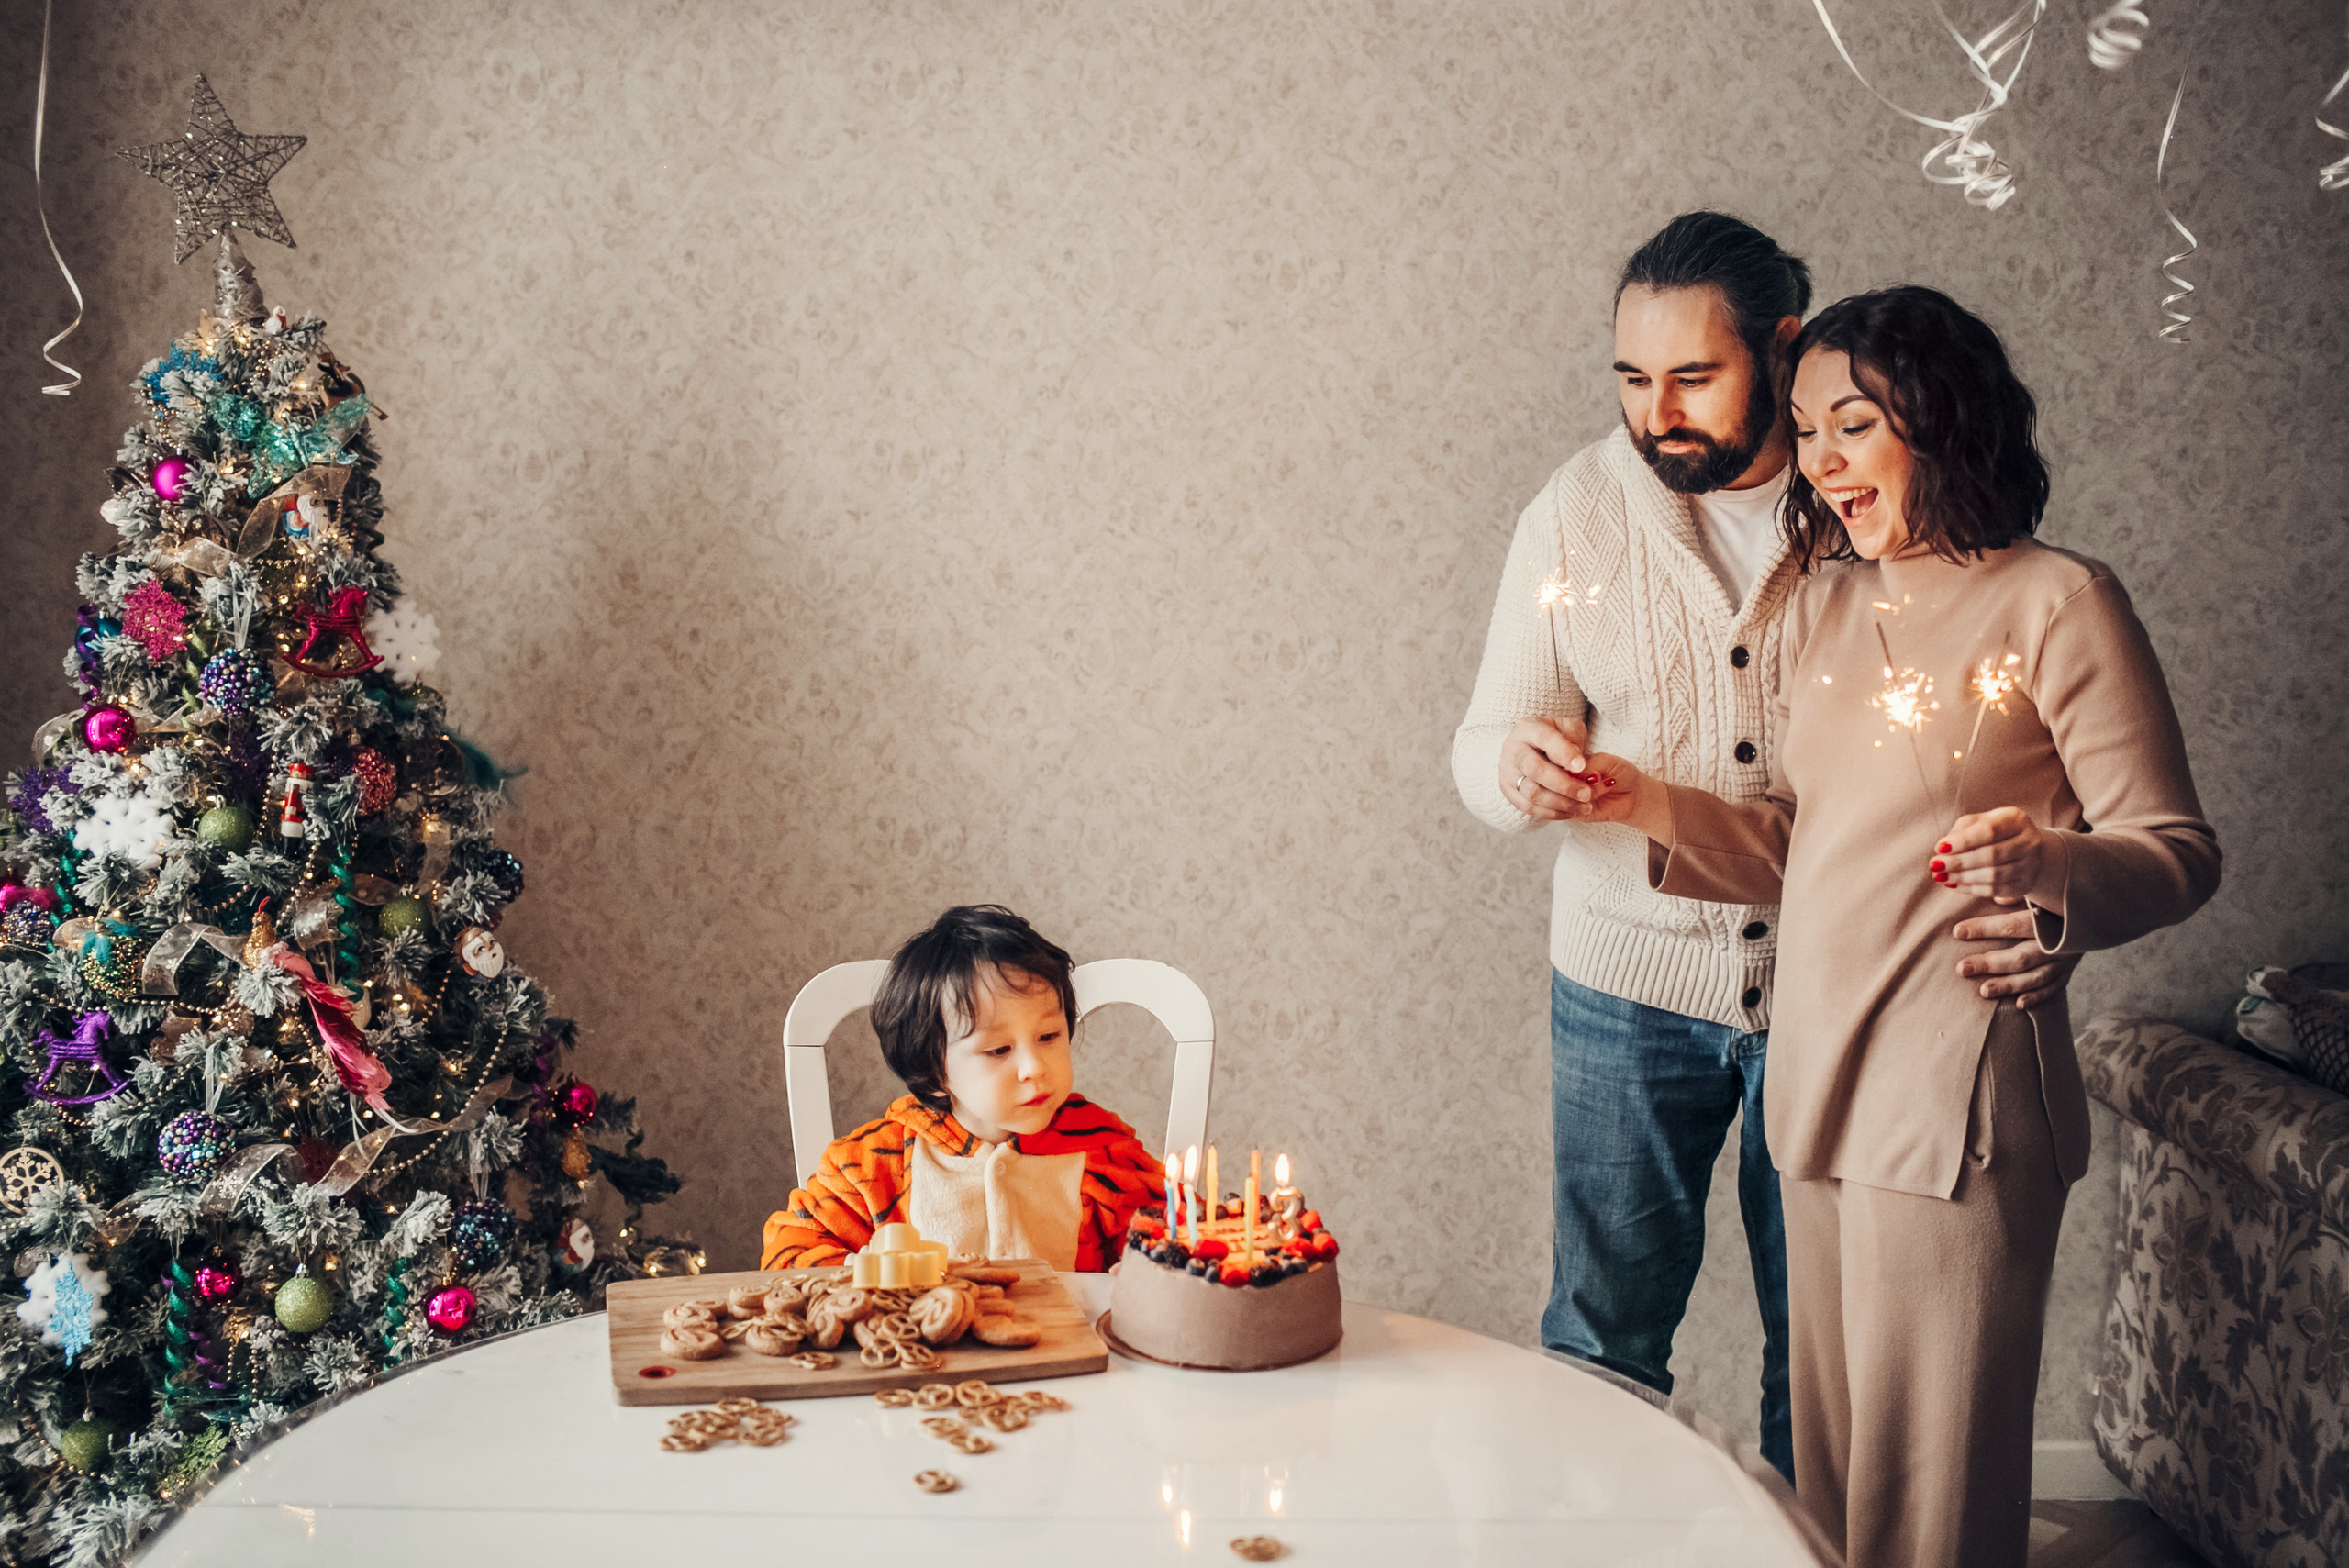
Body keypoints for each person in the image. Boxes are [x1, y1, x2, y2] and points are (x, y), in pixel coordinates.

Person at [1561, 285, 2221, 1567]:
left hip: (1954, 1098)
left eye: (1852, 424)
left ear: (1938, 417)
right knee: (1837, 1477)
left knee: (1929, 1497)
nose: (1822, 461)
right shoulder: (1835, 608)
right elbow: (1809, 854)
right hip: (1819, 1087)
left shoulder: (2060, 603)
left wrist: (2051, 866)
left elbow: (2178, 852)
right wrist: (1641, 799)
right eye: (1806, 430)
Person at [1453, 212, 2074, 1483]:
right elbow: (1482, 746)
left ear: (1783, 348)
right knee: (1601, 1330)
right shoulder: (1577, 511)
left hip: (1846, 993)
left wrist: (2044, 880)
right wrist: (1514, 769)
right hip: (1626, 985)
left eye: (1693, 376)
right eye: (1631, 379)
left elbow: (1992, 716)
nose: (1657, 412)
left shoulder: (1870, 503)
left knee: (1827, 1345)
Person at [762, 906, 1163, 1271]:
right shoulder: (876, 1165)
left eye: (1048, 1036)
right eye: (998, 1049)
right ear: (934, 1070)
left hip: (1067, 1348)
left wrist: (1144, 1271)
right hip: (928, 1351)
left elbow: (1180, 1234)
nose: (1033, 1067)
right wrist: (857, 1274)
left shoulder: (1102, 1151)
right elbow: (788, 1252)